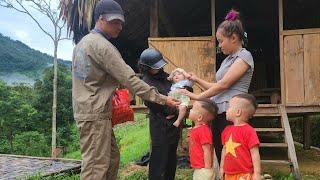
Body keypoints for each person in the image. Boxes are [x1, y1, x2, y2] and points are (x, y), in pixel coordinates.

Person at [72, 0, 179, 179]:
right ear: (100, 18)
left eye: (121, 22)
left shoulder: (83, 44)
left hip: (92, 111)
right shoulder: (102, 46)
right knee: (96, 167)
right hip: (94, 114)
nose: (120, 26)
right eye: (115, 21)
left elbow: (93, 78)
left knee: (111, 159)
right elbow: (130, 80)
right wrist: (163, 99)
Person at [179, 9, 254, 164]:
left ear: (233, 38)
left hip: (234, 112)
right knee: (221, 152)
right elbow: (218, 85)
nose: (219, 46)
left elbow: (224, 85)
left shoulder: (244, 56)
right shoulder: (227, 60)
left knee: (234, 156)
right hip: (221, 112)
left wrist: (197, 97)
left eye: (221, 41)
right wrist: (197, 79)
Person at [138, 48, 180, 180]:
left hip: (173, 124)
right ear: (146, 67)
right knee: (159, 162)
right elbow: (155, 104)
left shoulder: (165, 76)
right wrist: (173, 109)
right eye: (156, 67)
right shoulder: (146, 83)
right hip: (160, 125)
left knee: (171, 160)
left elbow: (177, 91)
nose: (159, 68)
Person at [220, 94, 261, 180]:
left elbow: (255, 153)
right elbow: (224, 150)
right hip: (228, 173)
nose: (226, 110)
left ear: (238, 112)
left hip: (244, 174)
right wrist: (221, 168)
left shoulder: (249, 131)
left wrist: (257, 173)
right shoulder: (226, 130)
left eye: (229, 107)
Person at [188, 99, 218, 180]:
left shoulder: (203, 130)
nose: (190, 109)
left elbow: (207, 150)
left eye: (193, 108)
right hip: (198, 167)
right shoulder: (197, 129)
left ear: (199, 117)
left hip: (203, 169)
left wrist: (207, 169)